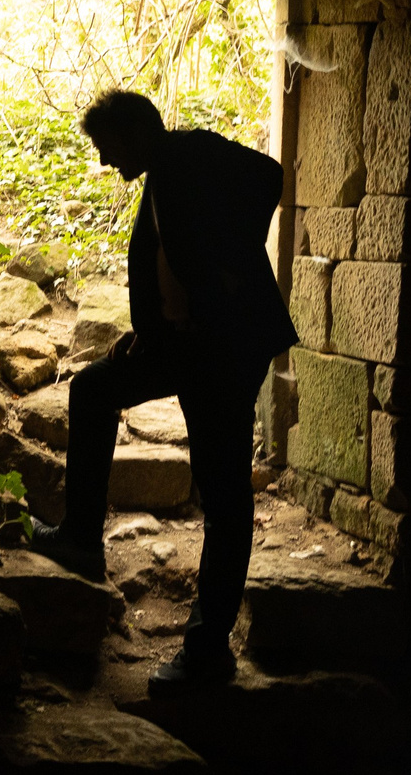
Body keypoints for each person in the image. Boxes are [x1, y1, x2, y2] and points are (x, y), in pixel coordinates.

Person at [27, 88, 296, 692]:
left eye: (106, 147)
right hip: (181, 346)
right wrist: (145, 333)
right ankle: (79, 539)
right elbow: (165, 263)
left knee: (224, 490)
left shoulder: (192, 153)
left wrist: (233, 258)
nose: (102, 161)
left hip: (222, 349)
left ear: (134, 133)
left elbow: (270, 175)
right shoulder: (162, 173)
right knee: (93, 391)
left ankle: (207, 650)